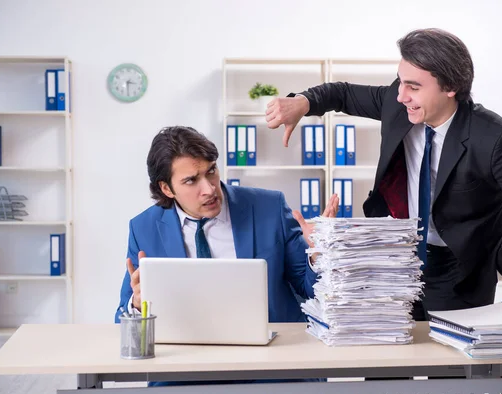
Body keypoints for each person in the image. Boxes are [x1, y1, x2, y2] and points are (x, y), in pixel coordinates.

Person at [265, 28, 502, 321]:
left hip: (458, 271)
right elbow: (341, 94)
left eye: (413, 86)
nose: (400, 96)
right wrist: (302, 102)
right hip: (394, 256)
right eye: (400, 82)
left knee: (451, 368)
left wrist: (498, 267)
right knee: (386, 362)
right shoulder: (396, 107)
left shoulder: (495, 139)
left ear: (451, 87)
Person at [115, 125, 338, 323]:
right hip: (190, 357)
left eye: (211, 171)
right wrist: (136, 304)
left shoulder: (269, 208)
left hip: (272, 356)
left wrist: (317, 254)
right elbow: (121, 318)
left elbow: (311, 291)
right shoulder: (144, 228)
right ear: (166, 188)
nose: (210, 189)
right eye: (191, 180)